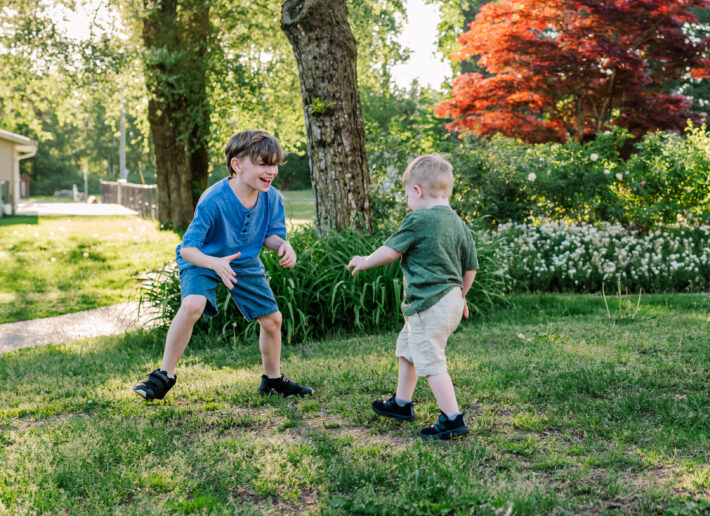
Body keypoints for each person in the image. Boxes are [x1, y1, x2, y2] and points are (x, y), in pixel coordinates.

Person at [133, 130, 312, 401]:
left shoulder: (272, 198)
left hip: (243, 262)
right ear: (237, 165)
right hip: (203, 259)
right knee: (193, 305)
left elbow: (269, 236)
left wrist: (283, 245)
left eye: (274, 164)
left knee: (272, 319)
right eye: (263, 163)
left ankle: (273, 380)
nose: (271, 170)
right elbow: (188, 249)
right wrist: (214, 263)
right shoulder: (214, 199)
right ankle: (163, 376)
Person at [347, 153, 477, 440]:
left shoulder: (418, 219)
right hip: (450, 300)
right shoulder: (459, 224)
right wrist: (461, 297)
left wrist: (365, 260)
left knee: (431, 361)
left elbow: (391, 251)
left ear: (417, 190)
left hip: (428, 304)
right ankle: (401, 403)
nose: (408, 202)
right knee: (408, 348)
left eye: (407, 196)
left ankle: (452, 418)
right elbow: (470, 268)